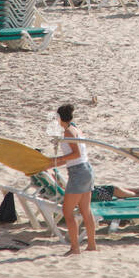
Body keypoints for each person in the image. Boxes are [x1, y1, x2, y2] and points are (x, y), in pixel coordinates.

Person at [47, 104, 96, 255]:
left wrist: (58, 159)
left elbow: (75, 154)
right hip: (85, 169)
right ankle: (91, 245)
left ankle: (75, 248)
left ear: (61, 118)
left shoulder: (68, 132)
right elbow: (74, 157)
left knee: (67, 212)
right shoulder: (76, 129)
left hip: (79, 172)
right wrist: (53, 162)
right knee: (85, 211)